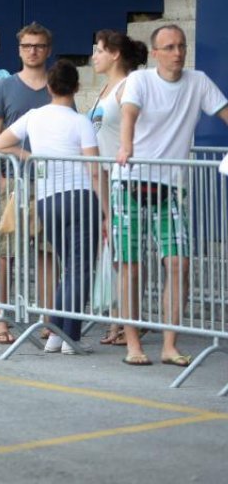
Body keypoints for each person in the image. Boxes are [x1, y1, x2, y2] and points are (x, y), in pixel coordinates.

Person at [115, 24, 228, 366]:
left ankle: (169, 344)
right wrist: (126, 145)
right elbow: (129, 113)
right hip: (130, 181)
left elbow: (225, 112)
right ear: (155, 53)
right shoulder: (140, 80)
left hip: (170, 187)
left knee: (178, 263)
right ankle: (132, 341)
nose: (177, 52)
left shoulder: (198, 81)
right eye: (169, 47)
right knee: (131, 267)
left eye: (181, 46)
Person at [0, 60, 108, 354]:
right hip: (80, 197)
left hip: (47, 199)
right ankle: (69, 336)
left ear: (49, 87)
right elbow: (94, 168)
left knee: (67, 268)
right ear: (77, 88)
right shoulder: (80, 121)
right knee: (79, 269)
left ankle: (57, 334)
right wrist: (107, 210)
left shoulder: (34, 116)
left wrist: (28, 155)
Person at [0, 22, 54, 345]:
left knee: (46, 253)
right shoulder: (5, 88)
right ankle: (0, 320)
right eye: (27, 45)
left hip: (50, 184)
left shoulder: (58, 87)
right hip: (12, 183)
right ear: (19, 49)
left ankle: (48, 320)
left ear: (48, 50)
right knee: (4, 254)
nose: (33, 51)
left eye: (39, 46)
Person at [88, 30, 148, 346]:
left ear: (114, 54)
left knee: (124, 254)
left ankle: (129, 322)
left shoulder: (128, 86)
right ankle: (118, 320)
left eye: (98, 50)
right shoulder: (104, 89)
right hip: (104, 181)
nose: (93, 56)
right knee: (113, 254)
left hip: (124, 179)